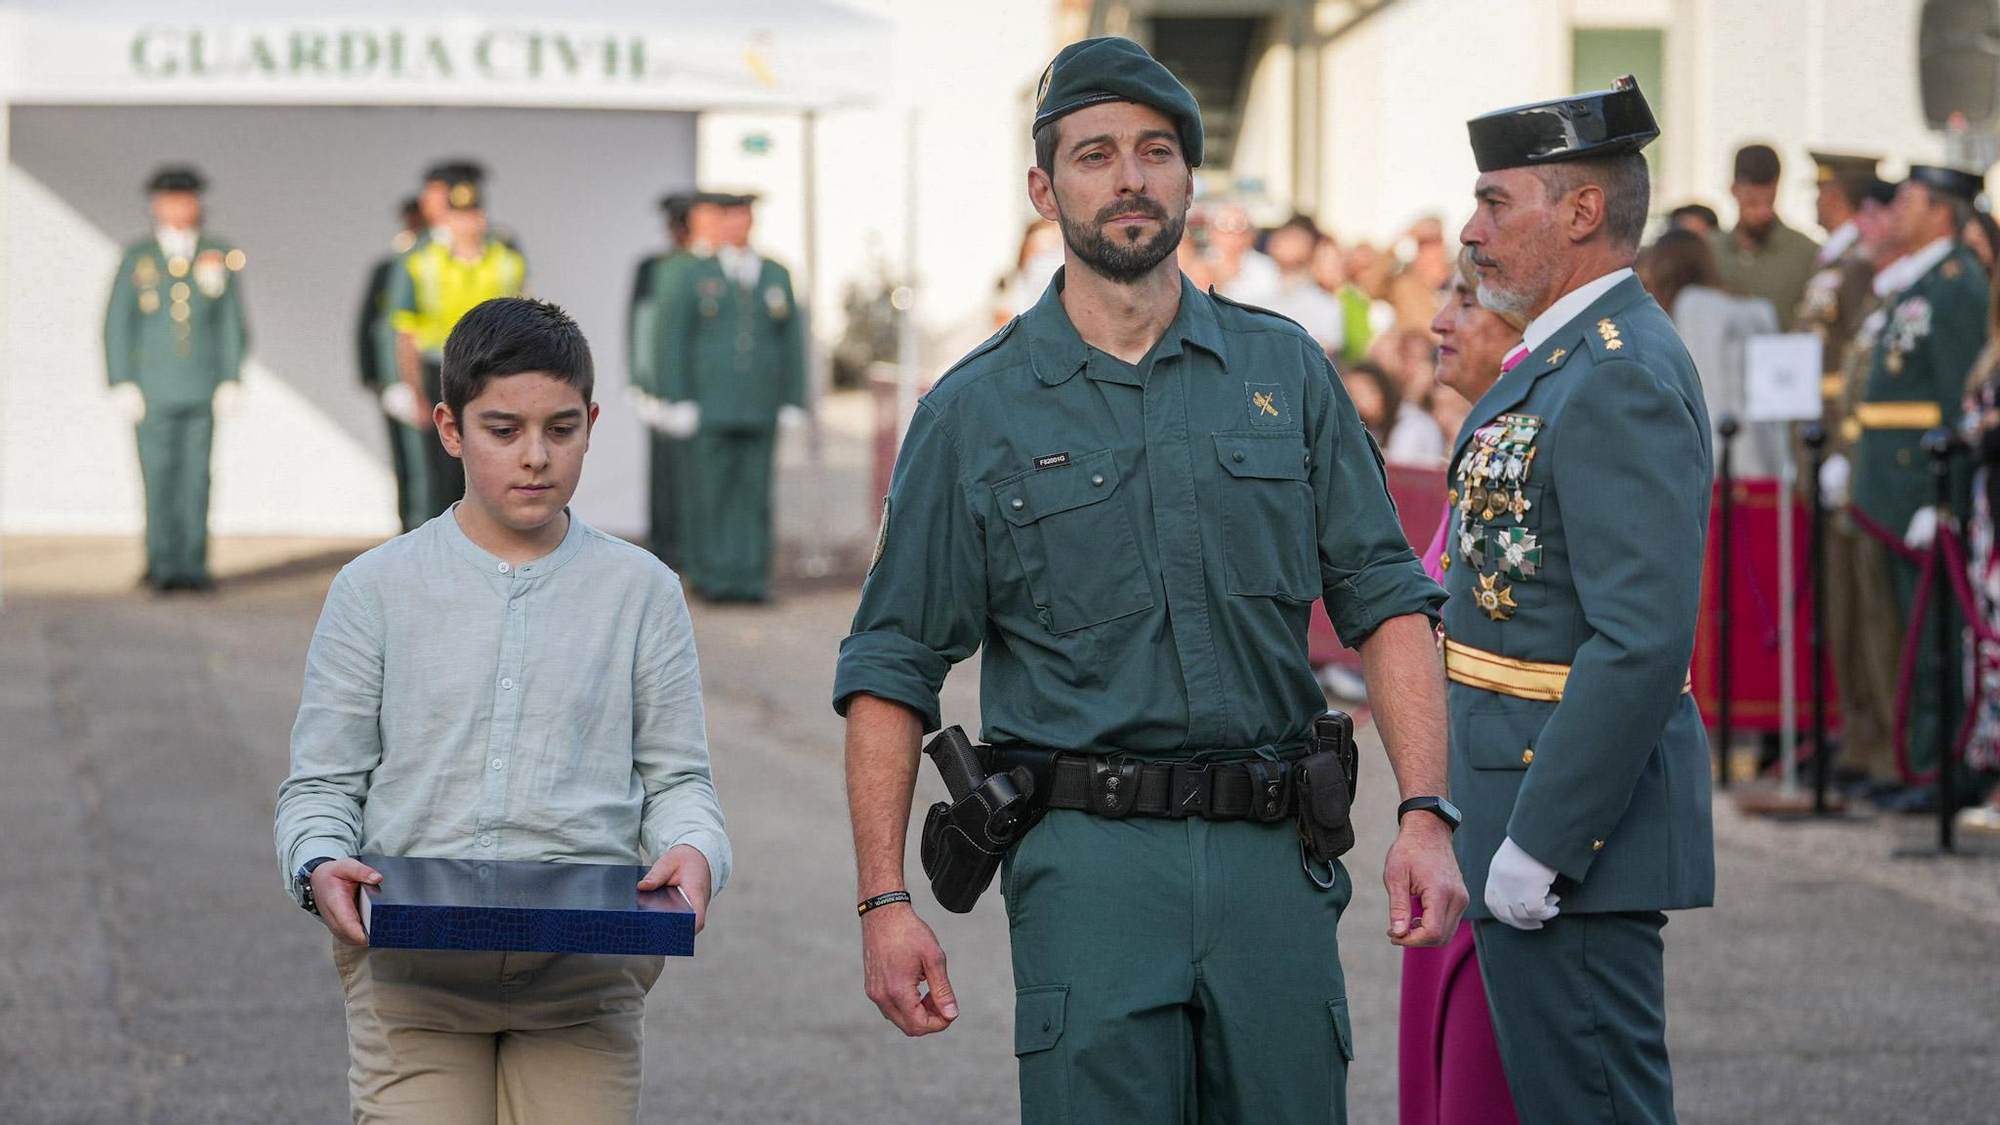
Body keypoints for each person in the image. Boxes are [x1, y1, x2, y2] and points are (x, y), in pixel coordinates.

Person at [835, 36, 1464, 1125]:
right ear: (1044, 187)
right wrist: (883, 900)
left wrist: (1423, 811)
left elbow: (1384, 596)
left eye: (1154, 151)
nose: (1128, 177)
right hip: (1088, 869)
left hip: (1274, 857)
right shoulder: (973, 412)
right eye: (1093, 155)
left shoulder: (1285, 374)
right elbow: (892, 664)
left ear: (1187, 175)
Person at [274, 297, 729, 1125]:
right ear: (449, 428)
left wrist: (696, 848)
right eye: (502, 429)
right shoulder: (374, 589)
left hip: (582, 982)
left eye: (561, 429)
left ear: (592, 423)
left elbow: (678, 779)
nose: (535, 457)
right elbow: (321, 784)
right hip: (414, 981)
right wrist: (317, 862)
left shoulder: (644, 592)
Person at [1453, 76, 1713, 1124]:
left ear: (1580, 211)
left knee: (1594, 1105)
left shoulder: (1613, 371)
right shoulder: (1560, 360)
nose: (1472, 233)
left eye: (1493, 203)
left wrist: (1545, 838)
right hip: (1518, 795)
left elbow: (1640, 638)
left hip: (1567, 831)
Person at [1401, 247, 1525, 1125]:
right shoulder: (1475, 441)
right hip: (1452, 815)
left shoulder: (1514, 443)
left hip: (1504, 827)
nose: (1440, 320)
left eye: (1467, 301)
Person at [1852, 165, 1990, 801]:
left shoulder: (1955, 282)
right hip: (1891, 481)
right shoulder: (1922, 281)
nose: (1896, 209)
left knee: (1930, 634)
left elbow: (1955, 396)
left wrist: (1947, 497)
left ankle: (1940, 767)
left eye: (1910, 200)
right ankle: (1914, 760)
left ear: (1941, 211)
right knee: (1905, 629)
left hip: (1921, 485)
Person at [651, 192, 808, 602]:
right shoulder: (692, 272)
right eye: (729, 217)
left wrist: (793, 397)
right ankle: (713, 576)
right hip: (710, 402)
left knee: (754, 494)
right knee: (710, 492)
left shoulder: (775, 273)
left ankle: (751, 577)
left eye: (743, 217)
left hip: (759, 403)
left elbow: (791, 339)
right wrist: (676, 395)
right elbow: (672, 337)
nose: (737, 225)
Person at [104, 165, 248, 593]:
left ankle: (192, 563)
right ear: (155, 205)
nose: (179, 207)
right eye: (170, 199)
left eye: (187, 198)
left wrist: (230, 377)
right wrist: (123, 380)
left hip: (200, 384)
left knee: (197, 476)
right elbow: (117, 323)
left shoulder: (219, 252)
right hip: (155, 386)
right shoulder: (139, 256)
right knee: (158, 474)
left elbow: (230, 321)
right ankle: (161, 563)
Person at [388, 168, 528, 521]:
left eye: (473, 215)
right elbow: (406, 330)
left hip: (494, 376)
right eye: (459, 216)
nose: (468, 224)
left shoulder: (506, 259)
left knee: (492, 469)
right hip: (441, 373)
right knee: (440, 475)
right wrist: (411, 386)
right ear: (447, 219)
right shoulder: (422, 261)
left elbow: (524, 321)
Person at [1640, 228, 1780, 476]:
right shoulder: (1747, 306)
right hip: (1760, 452)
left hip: (1722, 455)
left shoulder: (1695, 306)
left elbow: (1706, 386)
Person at [628, 190, 696, 565]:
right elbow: (641, 324)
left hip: (699, 388)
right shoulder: (653, 268)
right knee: (664, 473)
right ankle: (666, 547)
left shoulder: (706, 268)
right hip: (661, 384)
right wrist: (640, 381)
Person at [359, 197, 428, 533]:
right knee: (405, 461)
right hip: (396, 379)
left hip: (427, 377)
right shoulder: (388, 268)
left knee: (432, 465)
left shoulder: (430, 264)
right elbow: (368, 325)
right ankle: (409, 529)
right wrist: (374, 376)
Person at [1712, 143, 1821, 331]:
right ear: (1734, 190)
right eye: (1753, 202)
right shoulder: (1709, 251)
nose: (1762, 212)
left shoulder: (1806, 253)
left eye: (1769, 201)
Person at [1263, 212, 1345, 349]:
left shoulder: (1326, 305)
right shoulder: (1250, 282)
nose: (1287, 243)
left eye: (1295, 238)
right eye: (1285, 237)